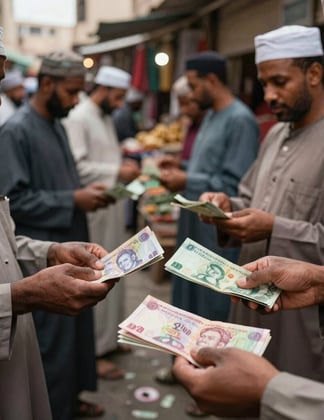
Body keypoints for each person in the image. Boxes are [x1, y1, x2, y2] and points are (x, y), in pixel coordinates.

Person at [172, 1, 324, 417]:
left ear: (314, 74)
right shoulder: (274, 135)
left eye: (279, 82)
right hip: (249, 309)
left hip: (300, 326)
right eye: (264, 84)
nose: (269, 95)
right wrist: (227, 210)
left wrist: (274, 228)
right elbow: (250, 199)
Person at [0, 27, 116, 420]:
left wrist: (83, 192)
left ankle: (68, 402)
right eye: (70, 92)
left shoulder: (57, 124)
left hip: (57, 247)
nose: (75, 100)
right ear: (46, 84)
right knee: (49, 350)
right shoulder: (16, 131)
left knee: (69, 343)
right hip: (35, 258)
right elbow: (16, 202)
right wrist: (72, 200)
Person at [155, 51, 259, 416]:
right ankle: (189, 367)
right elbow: (206, 167)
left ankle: (217, 388)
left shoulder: (240, 120)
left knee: (215, 311)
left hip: (215, 236)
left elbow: (235, 185)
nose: (191, 92)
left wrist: (188, 179)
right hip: (191, 229)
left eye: (195, 84)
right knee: (189, 304)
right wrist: (181, 166)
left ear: (212, 81)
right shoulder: (212, 116)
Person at [63, 65, 140, 381]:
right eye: (118, 97)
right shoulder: (79, 117)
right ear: (104, 90)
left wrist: (121, 164)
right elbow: (78, 167)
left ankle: (109, 342)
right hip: (93, 211)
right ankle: (94, 354)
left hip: (110, 208)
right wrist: (116, 171)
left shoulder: (105, 116)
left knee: (116, 273)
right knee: (97, 277)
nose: (121, 104)